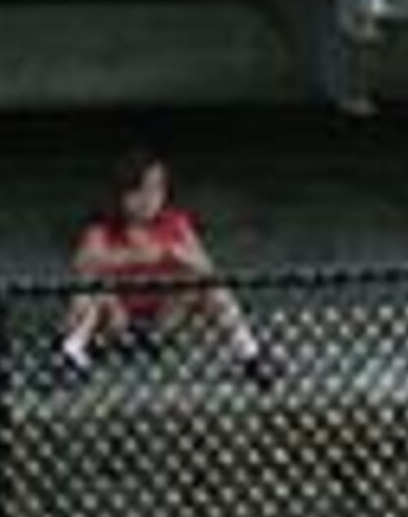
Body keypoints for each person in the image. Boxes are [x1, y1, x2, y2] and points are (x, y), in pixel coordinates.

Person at [56, 149, 276, 387]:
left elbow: (205, 266)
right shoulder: (102, 229)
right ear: (123, 194)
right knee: (90, 289)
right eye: (141, 190)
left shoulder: (175, 221)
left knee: (208, 285)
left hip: (165, 316)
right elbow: (84, 264)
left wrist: (171, 253)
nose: (150, 198)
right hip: (117, 319)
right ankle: (71, 356)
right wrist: (134, 257)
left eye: (157, 189)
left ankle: (251, 354)